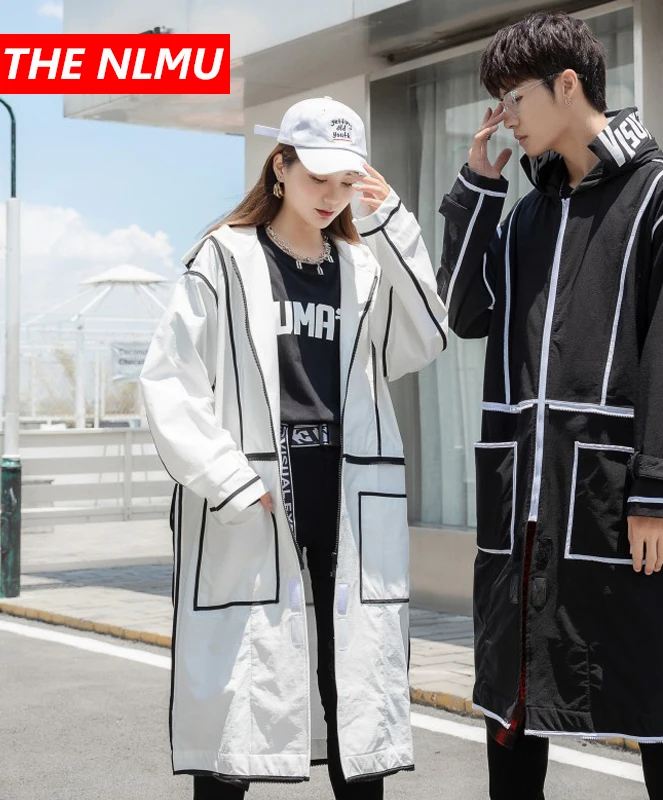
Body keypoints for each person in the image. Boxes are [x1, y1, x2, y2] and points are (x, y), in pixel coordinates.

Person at [436, 12, 663, 800]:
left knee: (660, 705)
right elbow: (464, 312)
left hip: (614, 501)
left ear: (568, 84)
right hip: (523, 510)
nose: (505, 118)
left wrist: (661, 491)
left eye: (515, 98)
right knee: (512, 703)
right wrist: (477, 188)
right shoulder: (526, 214)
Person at [141, 96, 447, 799]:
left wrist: (392, 224)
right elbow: (169, 380)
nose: (331, 197)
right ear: (280, 167)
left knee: (355, 697)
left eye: (346, 182)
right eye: (317, 179)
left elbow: (424, 337)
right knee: (236, 697)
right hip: (255, 497)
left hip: (346, 496)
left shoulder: (363, 266)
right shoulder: (225, 257)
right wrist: (228, 479)